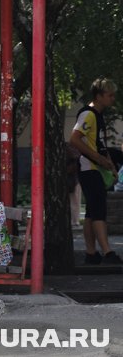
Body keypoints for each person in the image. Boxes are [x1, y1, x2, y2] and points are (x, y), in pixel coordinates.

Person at [69, 77, 122, 265]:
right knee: (98, 211)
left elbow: (99, 144)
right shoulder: (88, 114)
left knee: (92, 213)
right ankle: (107, 252)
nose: (113, 99)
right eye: (110, 95)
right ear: (99, 96)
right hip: (89, 168)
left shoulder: (97, 116)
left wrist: (108, 163)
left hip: (95, 168)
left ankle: (91, 253)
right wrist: (99, 159)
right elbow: (74, 139)